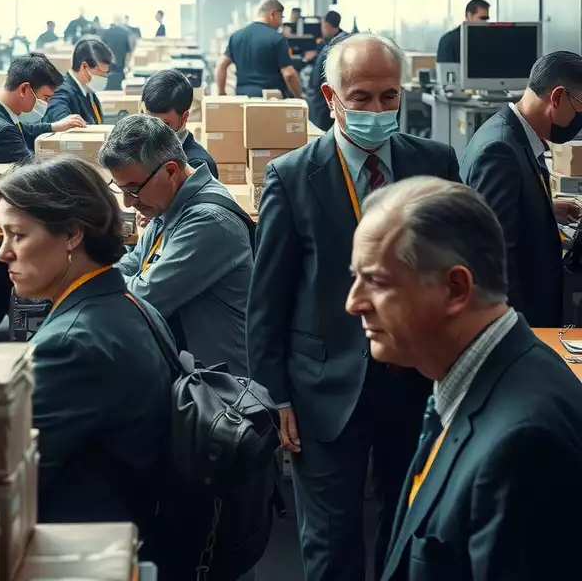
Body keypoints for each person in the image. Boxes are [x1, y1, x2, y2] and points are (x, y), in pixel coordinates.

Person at [247, 33, 460, 581]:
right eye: (361, 98)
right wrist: (275, 396)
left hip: (416, 381)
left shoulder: (434, 164)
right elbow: (268, 298)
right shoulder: (294, 176)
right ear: (331, 96)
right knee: (330, 536)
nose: (377, 110)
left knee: (410, 523)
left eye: (389, 97)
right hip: (323, 384)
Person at [347, 177, 582, 581]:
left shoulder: (523, 446)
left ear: (456, 288)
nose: (354, 302)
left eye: (378, 281)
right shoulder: (471, 379)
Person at [0, 156, 173, 531]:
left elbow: (12, 475)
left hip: (85, 538)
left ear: (73, 234)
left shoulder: (69, 344)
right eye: (3, 235)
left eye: (18, 235)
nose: (3, 252)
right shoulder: (130, 305)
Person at [100, 115, 252, 374]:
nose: (127, 203)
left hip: (221, 389)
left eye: (134, 190)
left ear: (171, 171)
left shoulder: (208, 221)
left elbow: (143, 297)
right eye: (121, 189)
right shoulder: (170, 204)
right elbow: (135, 261)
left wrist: (92, 280)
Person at [0, 55, 86, 344]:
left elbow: (21, 130)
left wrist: (54, 128)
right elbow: (35, 177)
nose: (41, 106)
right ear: (24, 89)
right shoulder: (3, 129)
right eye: (43, 98)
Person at [460, 50, 582, 327]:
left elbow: (500, 214)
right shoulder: (500, 150)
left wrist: (546, 208)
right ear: (558, 97)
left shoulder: (513, 134)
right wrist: (519, 335)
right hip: (519, 321)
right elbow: (496, 254)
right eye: (581, 110)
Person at [216, 0, 300, 98]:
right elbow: (288, 74)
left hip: (242, 100)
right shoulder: (277, 39)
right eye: (281, 17)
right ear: (273, 14)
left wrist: (221, 93)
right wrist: (299, 98)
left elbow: (221, 66)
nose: (280, 23)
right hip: (270, 101)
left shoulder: (236, 36)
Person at [141, 68, 218, 179]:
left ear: (184, 117)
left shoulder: (198, 165)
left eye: (165, 125)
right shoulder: (142, 150)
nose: (155, 131)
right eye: (150, 120)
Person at [43, 38, 112, 125]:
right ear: (84, 67)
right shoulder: (61, 91)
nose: (103, 78)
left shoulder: (88, 92)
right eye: (101, 74)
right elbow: (59, 116)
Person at [306, 10, 348, 132]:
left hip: (324, 105)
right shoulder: (340, 41)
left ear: (326, 24)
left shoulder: (336, 46)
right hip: (325, 103)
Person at [436, 0, 490, 66]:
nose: (485, 22)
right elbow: (445, 71)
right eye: (482, 18)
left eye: (486, 19)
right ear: (470, 16)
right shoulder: (449, 40)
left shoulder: (488, 40)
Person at [100, 15, 133, 91]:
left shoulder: (106, 33)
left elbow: (100, 51)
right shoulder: (125, 33)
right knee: (119, 89)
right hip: (121, 68)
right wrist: (127, 66)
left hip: (108, 68)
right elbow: (129, 52)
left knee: (107, 89)